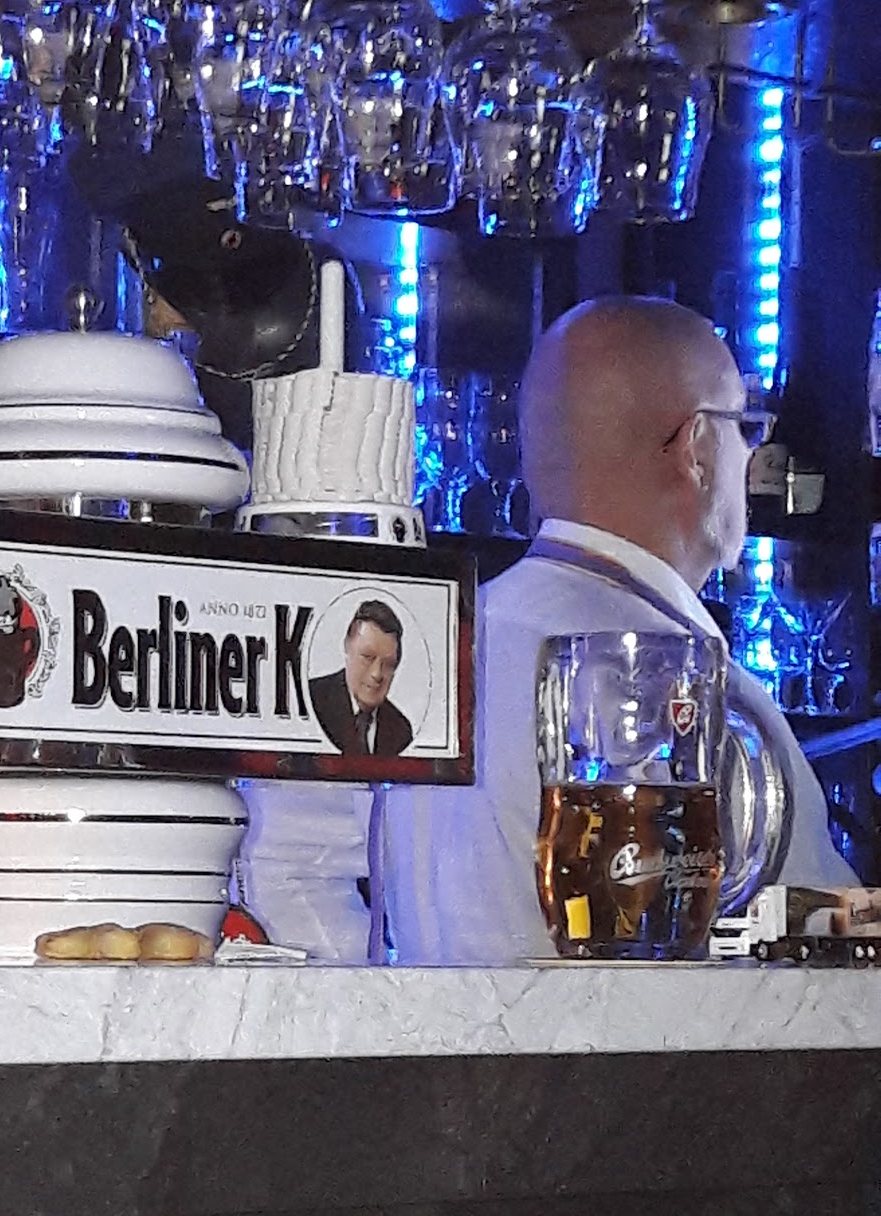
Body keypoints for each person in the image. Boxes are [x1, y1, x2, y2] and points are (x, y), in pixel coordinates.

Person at [385, 296, 855, 966]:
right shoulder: (702, 691)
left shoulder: (434, 647)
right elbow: (822, 974)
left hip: (422, 1033)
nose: (751, 456)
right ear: (697, 449)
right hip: (633, 1038)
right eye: (744, 427)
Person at [310, 599, 414, 757]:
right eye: (367, 657)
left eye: (388, 664)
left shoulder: (400, 730)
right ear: (347, 647)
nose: (376, 674)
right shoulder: (311, 702)